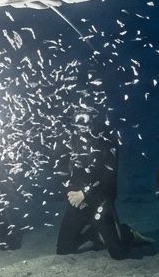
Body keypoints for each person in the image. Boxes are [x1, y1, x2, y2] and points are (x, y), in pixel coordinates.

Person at [55, 105, 139, 260]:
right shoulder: (69, 141)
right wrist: (71, 193)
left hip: (100, 200)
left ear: (93, 118)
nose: (80, 121)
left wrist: (84, 193)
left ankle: (127, 233)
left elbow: (108, 177)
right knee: (63, 249)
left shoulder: (107, 141)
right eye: (77, 116)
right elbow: (62, 171)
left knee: (118, 254)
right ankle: (92, 233)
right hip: (77, 200)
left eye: (85, 117)